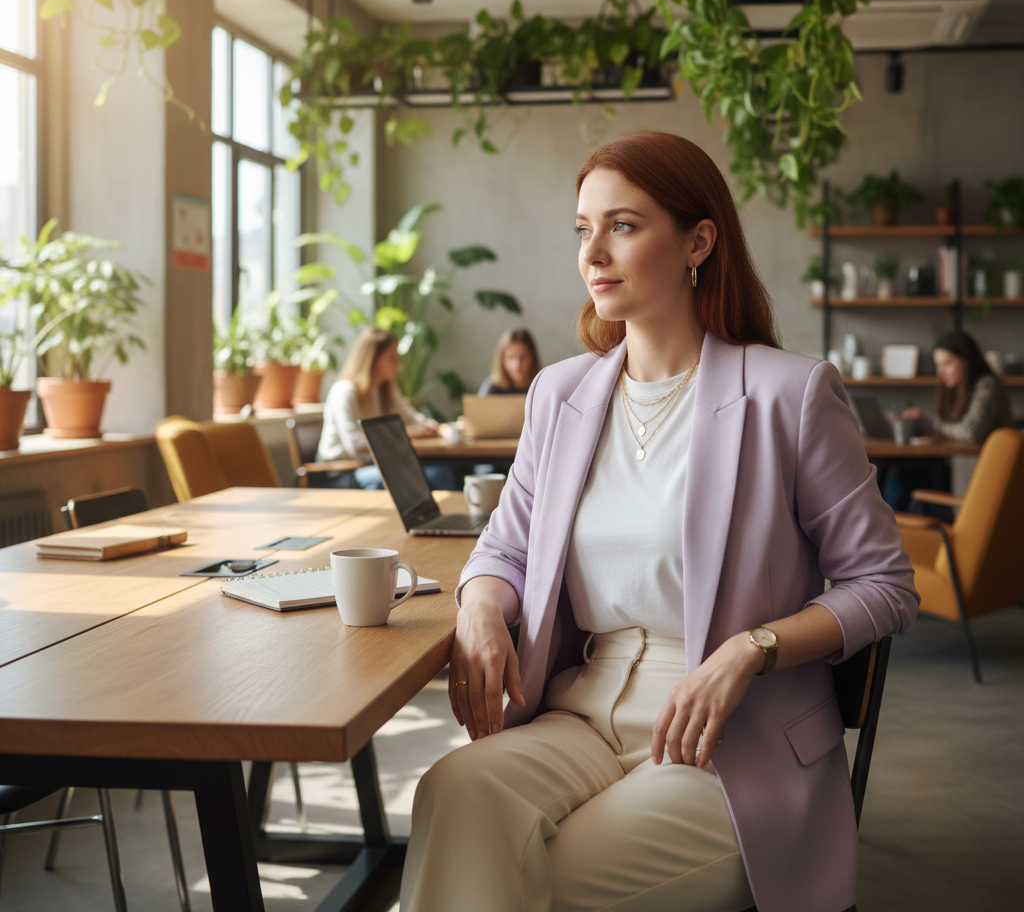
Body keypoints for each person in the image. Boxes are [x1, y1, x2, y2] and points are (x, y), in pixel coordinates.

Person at [400, 132, 918, 912]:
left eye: (624, 226)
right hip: (583, 704)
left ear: (698, 242)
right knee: (455, 795)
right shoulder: (559, 395)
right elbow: (505, 544)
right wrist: (477, 607)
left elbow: (885, 584)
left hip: (729, 738)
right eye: (583, 229)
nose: (593, 253)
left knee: (545, 874)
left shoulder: (792, 395)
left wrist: (753, 647)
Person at [317, 327, 456, 491]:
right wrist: (404, 432)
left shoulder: (384, 390)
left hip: (376, 465)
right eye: (391, 358)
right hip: (341, 472)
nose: (398, 364)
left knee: (440, 473)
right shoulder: (344, 391)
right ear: (372, 360)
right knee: (417, 478)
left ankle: (447, 516)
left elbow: (414, 419)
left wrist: (437, 427)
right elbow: (356, 446)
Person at [900, 330, 1011, 444]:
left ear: (967, 360)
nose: (940, 372)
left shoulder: (987, 386)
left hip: (986, 460)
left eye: (947, 363)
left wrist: (931, 424)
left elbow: (970, 433)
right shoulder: (957, 389)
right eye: (938, 365)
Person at [478, 328, 542, 395]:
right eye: (511, 357)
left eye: (523, 357)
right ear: (502, 360)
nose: (517, 364)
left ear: (533, 357)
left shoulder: (542, 385)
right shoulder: (491, 389)